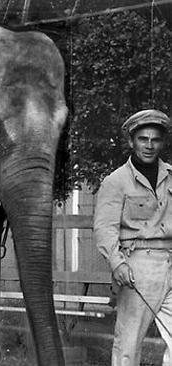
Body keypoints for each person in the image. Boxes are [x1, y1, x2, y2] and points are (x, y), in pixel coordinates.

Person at [94, 109, 172, 366]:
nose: (149, 146)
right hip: (138, 267)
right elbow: (105, 229)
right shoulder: (116, 182)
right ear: (131, 141)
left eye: (155, 139)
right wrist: (118, 263)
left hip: (170, 261)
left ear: (162, 142)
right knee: (128, 346)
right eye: (143, 139)